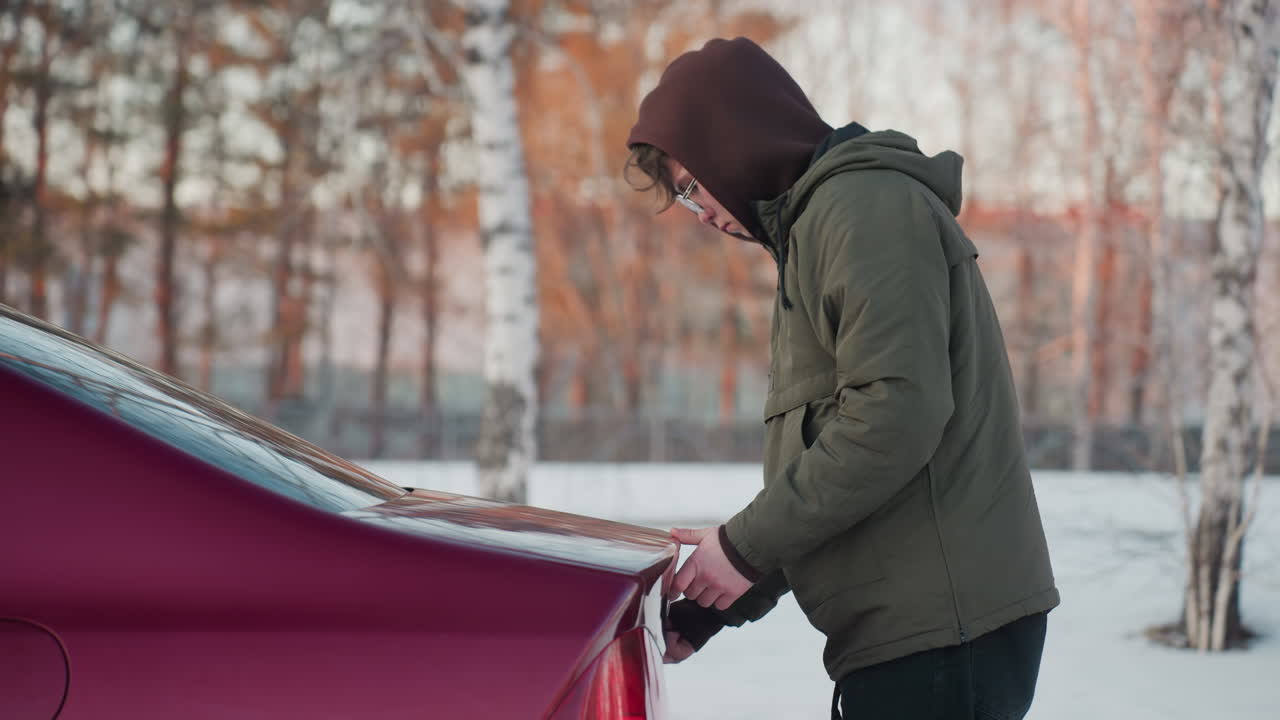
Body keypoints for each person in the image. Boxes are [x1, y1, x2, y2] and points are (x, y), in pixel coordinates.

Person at [623, 37, 1059, 719]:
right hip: (913, 637)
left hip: (943, 635)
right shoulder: (817, 230)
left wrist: (740, 549)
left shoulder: (864, 209)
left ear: (732, 142)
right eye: (685, 197)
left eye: (692, 185)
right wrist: (726, 595)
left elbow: (892, 420)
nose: (700, 211)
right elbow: (831, 457)